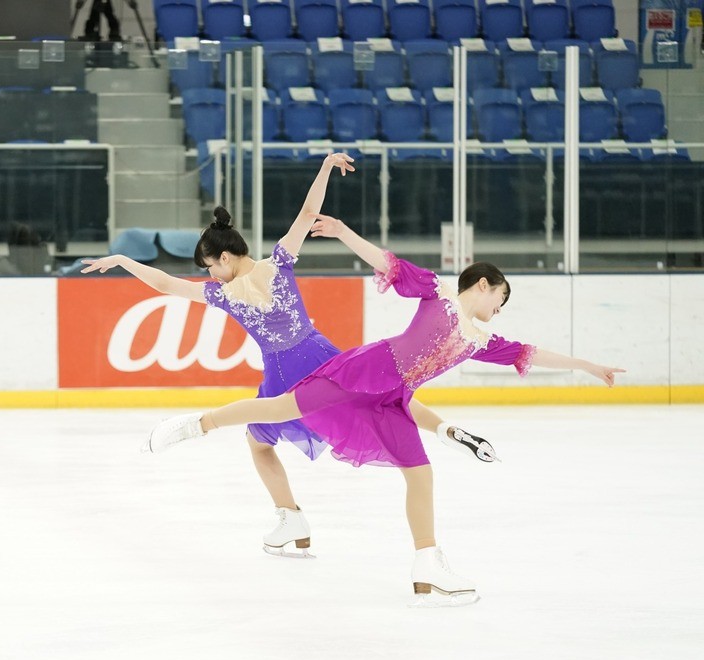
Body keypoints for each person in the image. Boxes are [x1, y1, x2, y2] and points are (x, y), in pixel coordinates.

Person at [143, 214, 624, 606]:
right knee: (278, 406)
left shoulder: (482, 341)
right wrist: (344, 232)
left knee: (419, 474)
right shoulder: (436, 291)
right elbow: (388, 264)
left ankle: (428, 564)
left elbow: (530, 353)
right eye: (501, 296)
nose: (501, 307)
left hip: (393, 396)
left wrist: (587, 366)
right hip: (366, 372)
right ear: (482, 284)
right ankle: (194, 426)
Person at [83, 153, 495, 559]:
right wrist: (325, 167)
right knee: (381, 396)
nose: (209, 274)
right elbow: (308, 211)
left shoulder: (223, 293)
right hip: (320, 356)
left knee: (259, 443)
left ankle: (290, 515)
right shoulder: (278, 263)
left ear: (224, 258)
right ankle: (444, 431)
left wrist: (122, 261)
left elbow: (167, 285)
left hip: (281, 373)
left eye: (210, 266)